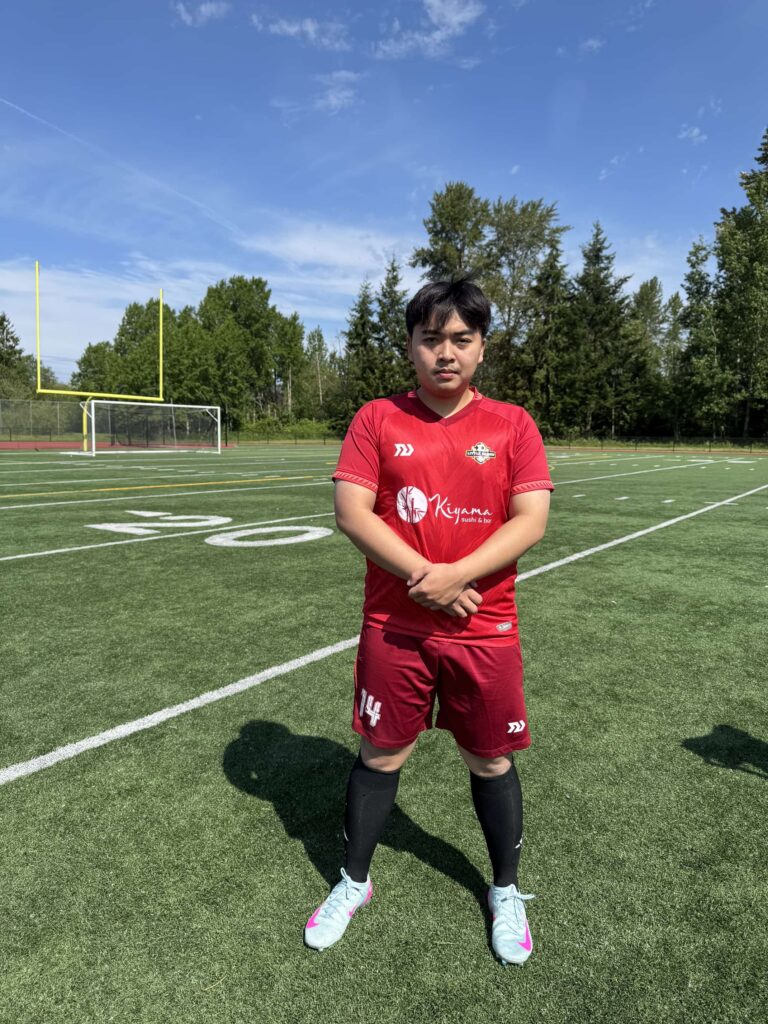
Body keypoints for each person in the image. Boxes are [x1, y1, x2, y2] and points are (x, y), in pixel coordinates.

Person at [304, 278, 553, 965]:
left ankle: (505, 891)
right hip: (396, 627)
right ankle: (354, 881)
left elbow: (531, 519)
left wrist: (456, 575)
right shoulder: (377, 418)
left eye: (461, 339)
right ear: (411, 346)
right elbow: (351, 512)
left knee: (490, 758)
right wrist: (429, 579)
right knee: (380, 753)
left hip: (485, 629)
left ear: (482, 347)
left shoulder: (513, 424)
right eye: (431, 338)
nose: (446, 353)